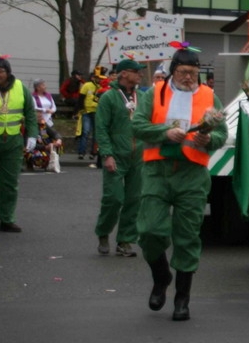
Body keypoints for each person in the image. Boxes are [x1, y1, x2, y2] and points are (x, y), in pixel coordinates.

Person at [132, 45, 227, 321]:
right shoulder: (154, 94)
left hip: (192, 175)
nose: (189, 78)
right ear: (173, 71)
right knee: (149, 231)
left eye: (194, 73)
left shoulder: (210, 96)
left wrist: (209, 140)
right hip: (157, 171)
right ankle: (161, 276)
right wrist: (165, 132)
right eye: (184, 72)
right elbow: (137, 125)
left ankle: (182, 297)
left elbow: (222, 132)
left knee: (187, 236)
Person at [0, 56, 38, 232]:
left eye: (0, 71)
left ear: (8, 72)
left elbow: (30, 113)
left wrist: (32, 135)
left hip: (11, 143)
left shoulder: (20, 88)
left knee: (10, 184)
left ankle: (6, 219)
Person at [94, 58, 148, 257]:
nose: (140, 74)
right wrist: (106, 154)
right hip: (116, 155)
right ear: (124, 73)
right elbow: (101, 129)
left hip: (139, 156)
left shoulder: (142, 96)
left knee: (135, 199)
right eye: (136, 71)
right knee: (114, 198)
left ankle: (125, 240)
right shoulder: (109, 97)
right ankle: (103, 232)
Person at [77, 71, 101, 163]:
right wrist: (80, 109)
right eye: (97, 78)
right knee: (85, 132)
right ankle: (81, 152)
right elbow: (81, 98)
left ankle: (93, 152)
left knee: (96, 133)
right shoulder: (87, 85)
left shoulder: (102, 87)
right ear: (93, 77)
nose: (99, 80)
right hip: (87, 111)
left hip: (97, 112)